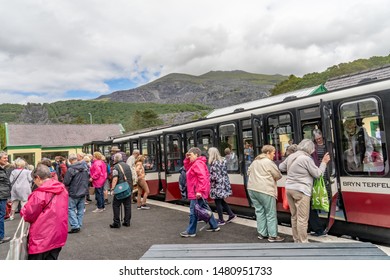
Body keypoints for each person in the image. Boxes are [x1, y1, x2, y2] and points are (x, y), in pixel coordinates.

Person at [279, 139, 330, 243]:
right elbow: (318, 174)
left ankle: (296, 240)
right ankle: (303, 242)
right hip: (301, 190)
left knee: (294, 216)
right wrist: (324, 163)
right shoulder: (306, 159)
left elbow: (281, 167)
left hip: (289, 189)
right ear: (310, 149)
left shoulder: (292, 156)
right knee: (302, 218)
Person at [20, 164, 68, 259]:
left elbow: (28, 214)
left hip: (41, 237)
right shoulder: (62, 189)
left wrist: (23, 210)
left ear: (38, 177)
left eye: (34, 180)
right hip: (58, 233)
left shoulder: (40, 193)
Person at [180, 147, 220, 237]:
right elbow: (187, 167)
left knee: (193, 211)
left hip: (196, 192)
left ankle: (191, 231)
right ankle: (214, 225)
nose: (189, 157)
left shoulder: (197, 164)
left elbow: (203, 178)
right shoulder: (196, 163)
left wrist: (199, 191)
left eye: (191, 155)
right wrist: (187, 158)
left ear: (196, 155)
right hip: (197, 191)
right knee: (204, 208)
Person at [247, 145, 284, 242]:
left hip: (252, 189)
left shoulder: (255, 161)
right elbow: (278, 175)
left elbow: (248, 172)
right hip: (265, 190)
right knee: (270, 213)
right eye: (273, 152)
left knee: (259, 211)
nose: (274, 154)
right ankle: (272, 235)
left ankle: (262, 233)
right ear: (268, 153)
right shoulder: (268, 162)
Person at [208, 147, 236, 226]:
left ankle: (221, 220)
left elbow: (215, 177)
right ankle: (231, 214)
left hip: (217, 185)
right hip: (223, 183)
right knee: (221, 200)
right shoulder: (222, 161)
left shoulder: (214, 163)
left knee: (218, 202)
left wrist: (208, 178)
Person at [63, 154, 90, 233]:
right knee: (81, 209)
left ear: (70, 161)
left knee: (71, 208)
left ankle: (75, 225)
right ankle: (79, 223)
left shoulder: (71, 169)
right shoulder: (85, 167)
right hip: (83, 190)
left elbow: (66, 182)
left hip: (74, 191)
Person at [309, 129, 328, 236]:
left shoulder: (327, 145)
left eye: (320, 139)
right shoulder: (311, 152)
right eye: (316, 139)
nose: (318, 140)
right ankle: (317, 229)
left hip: (324, 168)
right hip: (319, 169)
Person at [110, 153, 133, 228]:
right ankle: (127, 221)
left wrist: (112, 189)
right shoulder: (127, 166)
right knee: (127, 205)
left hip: (120, 189)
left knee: (116, 205)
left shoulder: (116, 167)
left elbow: (115, 178)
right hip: (128, 188)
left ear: (115, 159)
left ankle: (116, 222)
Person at [0, 151, 11, 244]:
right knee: (1, 216)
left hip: (3, 195)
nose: (6, 159)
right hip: (1, 196)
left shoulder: (3, 169)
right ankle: (1, 237)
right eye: (4, 158)